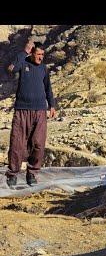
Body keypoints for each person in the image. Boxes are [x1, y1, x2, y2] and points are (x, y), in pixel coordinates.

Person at [5, 40, 57, 188]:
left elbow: (48, 88)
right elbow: (11, 69)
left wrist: (52, 105)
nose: (41, 57)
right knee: (17, 143)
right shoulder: (23, 63)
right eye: (38, 54)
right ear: (32, 53)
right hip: (22, 110)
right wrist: (24, 52)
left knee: (38, 144)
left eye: (42, 55)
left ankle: (32, 173)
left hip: (40, 111)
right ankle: (13, 174)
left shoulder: (44, 68)